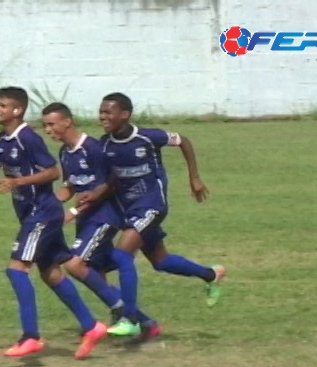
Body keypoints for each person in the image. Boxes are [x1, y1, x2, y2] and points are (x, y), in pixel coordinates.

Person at [0, 87, 107, 359]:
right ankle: (92, 326)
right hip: (32, 213)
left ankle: (31, 336)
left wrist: (18, 181)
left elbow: (52, 171)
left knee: (16, 269)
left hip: (42, 212)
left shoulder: (28, 138)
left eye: (2, 105)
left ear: (17, 110)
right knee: (50, 273)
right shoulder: (2, 139)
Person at [91, 92, 225, 337]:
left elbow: (183, 140)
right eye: (101, 112)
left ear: (125, 115)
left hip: (152, 205)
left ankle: (130, 318)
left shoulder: (147, 137)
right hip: (128, 210)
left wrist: (194, 177)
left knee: (122, 255)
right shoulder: (104, 144)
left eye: (108, 112)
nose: (103, 117)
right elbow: (108, 181)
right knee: (161, 261)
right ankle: (211, 274)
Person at [41, 101, 159, 340]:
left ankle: (124, 312)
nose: (48, 130)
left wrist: (73, 212)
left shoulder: (94, 149)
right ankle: (146, 323)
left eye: (51, 124)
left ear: (67, 121)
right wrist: (47, 208)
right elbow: (70, 186)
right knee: (95, 272)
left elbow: (113, 181)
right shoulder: (65, 152)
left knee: (74, 265)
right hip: (86, 219)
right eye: (45, 126)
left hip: (105, 216)